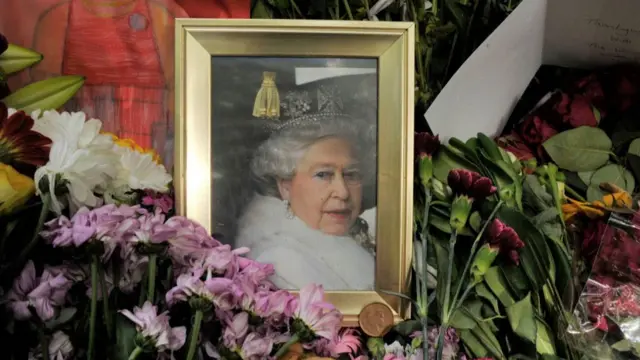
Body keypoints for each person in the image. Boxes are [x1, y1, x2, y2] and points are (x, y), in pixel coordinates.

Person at [235, 112, 376, 290]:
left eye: (352, 175)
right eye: (323, 175)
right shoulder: (280, 263)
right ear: (285, 186)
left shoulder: (356, 243)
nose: (342, 192)